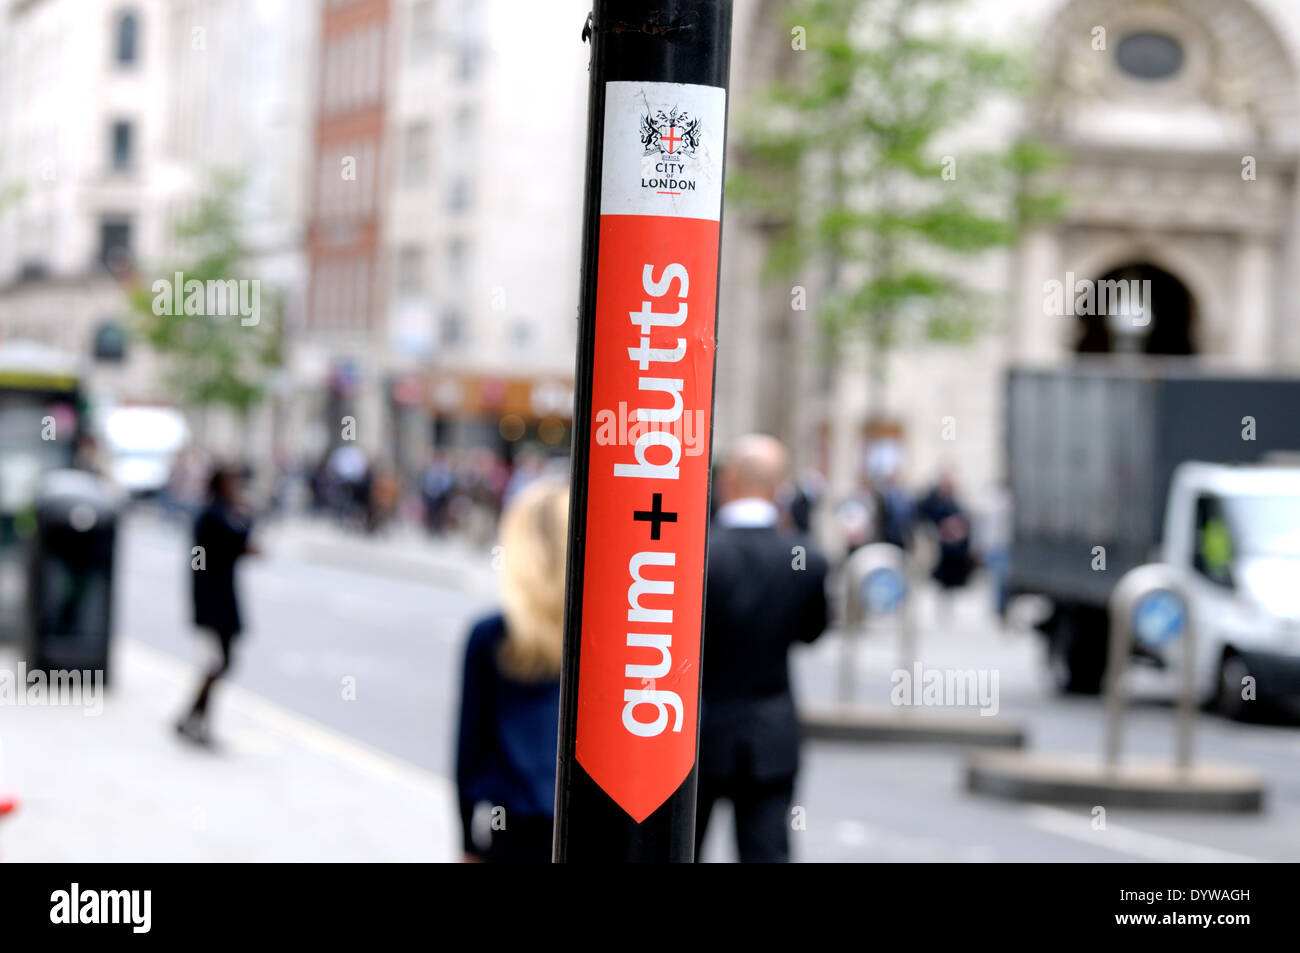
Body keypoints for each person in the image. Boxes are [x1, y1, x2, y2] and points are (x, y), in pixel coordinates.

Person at [697, 434, 830, 863]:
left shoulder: (697, 554)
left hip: (699, 734)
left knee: (679, 848)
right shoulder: (804, 556)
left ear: (728, 480)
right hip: (771, 736)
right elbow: (812, 632)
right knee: (767, 852)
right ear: (779, 486)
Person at [455, 479, 568, 862]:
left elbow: (469, 747)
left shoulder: (493, 636)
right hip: (586, 820)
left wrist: (468, 839)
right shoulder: (605, 639)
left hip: (512, 822)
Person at [176, 464, 258, 746]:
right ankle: (194, 721)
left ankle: (192, 719)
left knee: (219, 663)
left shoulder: (215, 514)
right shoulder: (214, 516)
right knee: (217, 663)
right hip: (214, 603)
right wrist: (248, 516)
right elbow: (239, 542)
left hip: (218, 601)